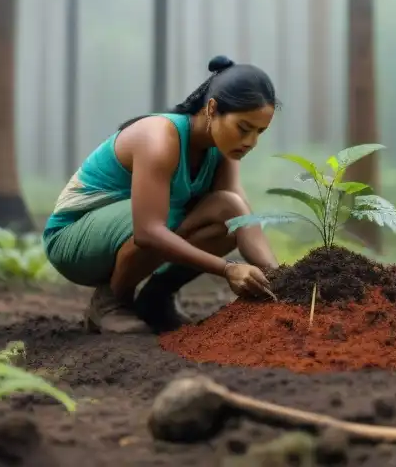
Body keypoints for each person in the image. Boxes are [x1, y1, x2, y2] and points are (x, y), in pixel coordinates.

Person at [43, 55, 281, 334]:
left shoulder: (223, 149)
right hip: (73, 240)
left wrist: (282, 279)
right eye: (243, 128)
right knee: (161, 217)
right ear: (213, 108)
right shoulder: (159, 138)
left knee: (229, 211)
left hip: (139, 232)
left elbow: (241, 217)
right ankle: (111, 302)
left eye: (259, 132)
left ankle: (155, 299)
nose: (251, 141)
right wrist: (228, 269)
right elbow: (147, 232)